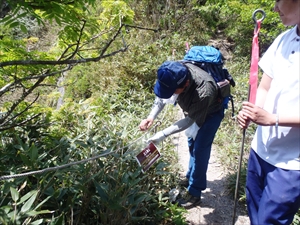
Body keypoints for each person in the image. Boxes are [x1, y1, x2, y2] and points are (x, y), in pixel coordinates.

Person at [237, 1, 300, 224]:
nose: (274, 8)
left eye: (279, 1)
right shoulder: (284, 39)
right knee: (255, 215)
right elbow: (264, 86)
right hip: (260, 150)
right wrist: (254, 111)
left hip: (291, 163)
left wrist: (273, 119)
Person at [139, 60, 225, 209]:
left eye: (173, 91)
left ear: (185, 84)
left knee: (200, 150)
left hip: (210, 114)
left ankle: (195, 193)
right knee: (192, 143)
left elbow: (189, 120)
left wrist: (162, 134)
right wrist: (151, 117)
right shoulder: (173, 72)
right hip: (192, 110)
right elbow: (162, 97)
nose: (171, 94)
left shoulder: (204, 91)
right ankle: (190, 177)